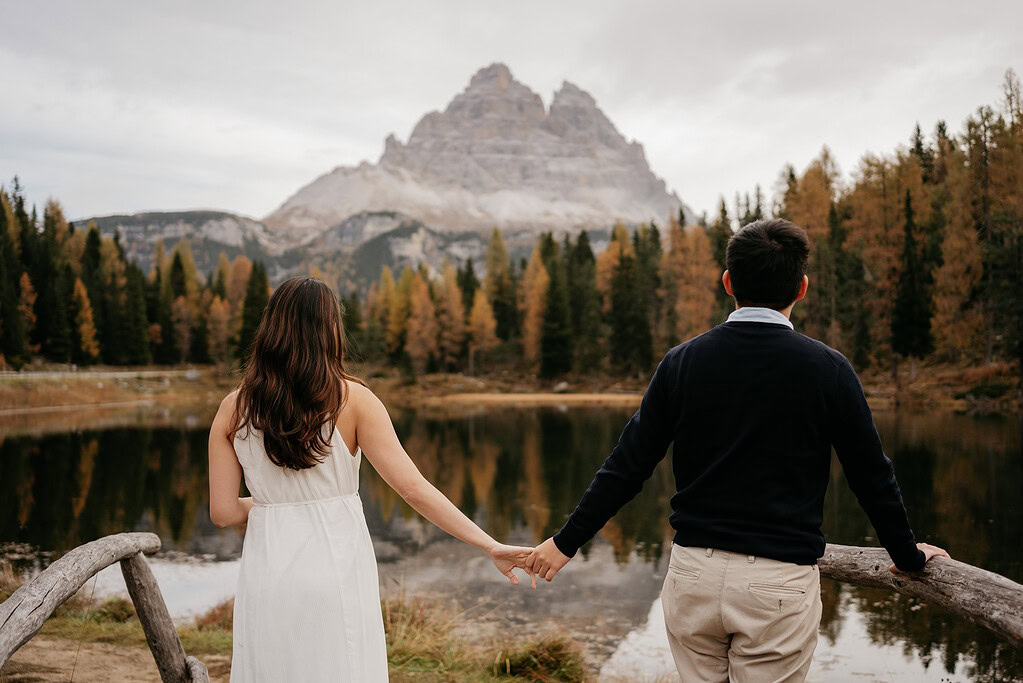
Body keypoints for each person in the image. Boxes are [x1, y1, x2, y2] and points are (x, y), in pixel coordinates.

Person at [527, 218, 949, 682]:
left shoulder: (682, 362)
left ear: (728, 282)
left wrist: (565, 543)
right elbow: (870, 475)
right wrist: (907, 555)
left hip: (693, 576)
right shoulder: (828, 369)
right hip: (777, 583)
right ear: (802, 288)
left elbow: (626, 467)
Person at [208, 276, 534, 682]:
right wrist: (490, 544)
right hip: (336, 569)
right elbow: (412, 489)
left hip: (266, 575)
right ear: (329, 330)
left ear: (271, 330)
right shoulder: (354, 400)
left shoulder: (233, 408)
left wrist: (276, 504)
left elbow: (223, 513)